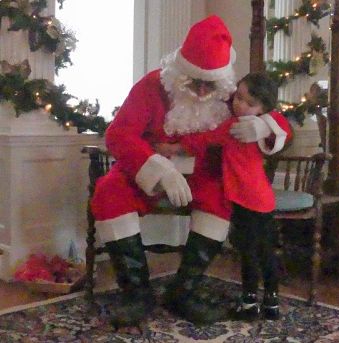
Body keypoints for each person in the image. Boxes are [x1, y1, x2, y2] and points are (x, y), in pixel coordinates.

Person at [90, 15, 290, 327]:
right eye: (192, 81)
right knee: (108, 192)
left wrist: (262, 126)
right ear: (178, 70)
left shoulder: (232, 96)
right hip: (147, 166)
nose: (199, 89)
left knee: (219, 200)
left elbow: (279, 123)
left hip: (203, 174)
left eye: (208, 84)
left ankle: (183, 291)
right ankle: (137, 292)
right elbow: (118, 135)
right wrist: (160, 171)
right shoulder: (152, 86)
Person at [160, 73, 291, 321]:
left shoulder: (241, 127)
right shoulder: (237, 123)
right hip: (254, 200)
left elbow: (203, 140)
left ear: (263, 108)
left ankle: (256, 301)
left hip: (249, 201)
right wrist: (176, 147)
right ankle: (264, 301)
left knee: (254, 253)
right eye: (238, 97)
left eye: (248, 103)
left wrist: (174, 147)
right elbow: (204, 140)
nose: (239, 104)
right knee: (260, 252)